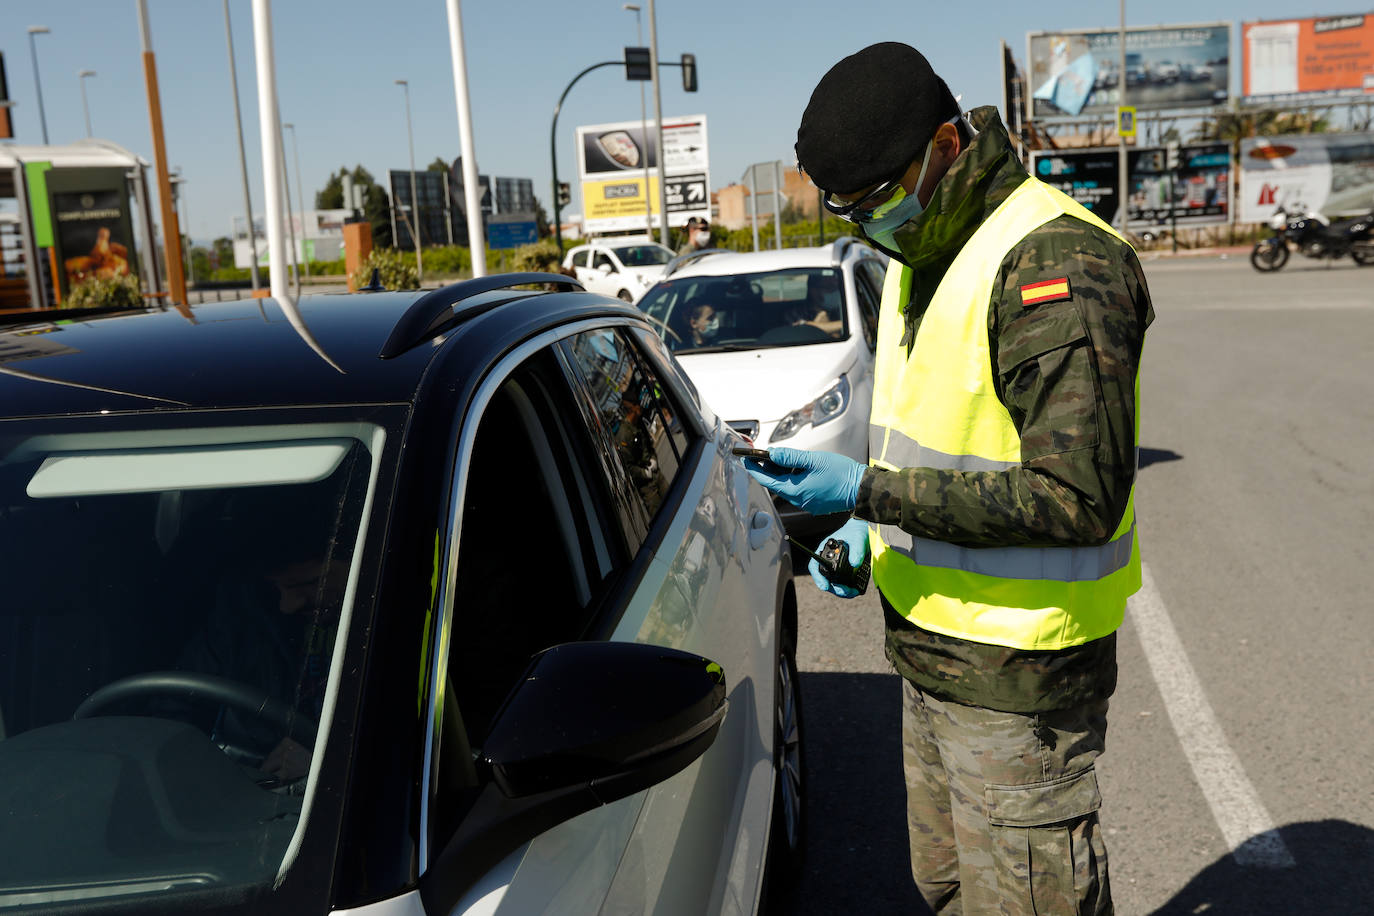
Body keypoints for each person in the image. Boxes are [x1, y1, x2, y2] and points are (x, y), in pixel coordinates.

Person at [743, 42, 1152, 916]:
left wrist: (866, 495)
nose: (865, 224)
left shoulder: (1056, 265)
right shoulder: (926, 250)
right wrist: (877, 534)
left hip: (1020, 681)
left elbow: (1074, 497)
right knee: (949, 889)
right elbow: (938, 440)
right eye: (845, 211)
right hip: (932, 659)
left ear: (947, 144)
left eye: (876, 200)